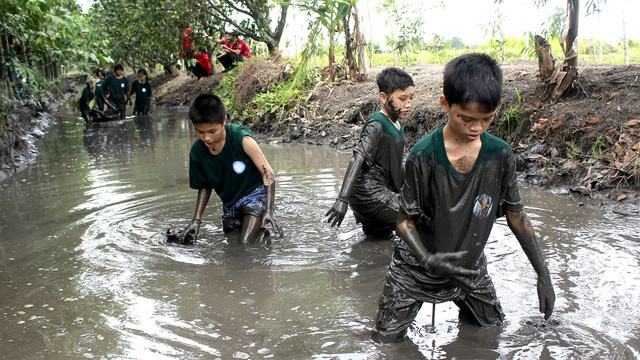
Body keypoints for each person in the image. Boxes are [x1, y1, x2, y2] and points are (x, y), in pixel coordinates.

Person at [370, 53, 555, 343]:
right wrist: (429, 259)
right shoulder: (422, 157)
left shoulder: (500, 155)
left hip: (469, 269)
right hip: (415, 268)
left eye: (486, 119)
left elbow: (516, 216)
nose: (476, 128)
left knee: (491, 332)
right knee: (384, 343)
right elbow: (404, 223)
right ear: (445, 104)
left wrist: (543, 275)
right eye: (466, 118)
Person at [178, 93, 284, 245]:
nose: (206, 138)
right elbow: (204, 186)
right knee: (232, 246)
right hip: (230, 205)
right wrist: (196, 221)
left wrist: (269, 210)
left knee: (245, 245)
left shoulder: (241, 138)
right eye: (200, 132)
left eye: (212, 131)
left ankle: (260, 233)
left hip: (255, 195)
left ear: (224, 121)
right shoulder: (197, 151)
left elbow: (268, 173)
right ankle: (263, 238)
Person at [325, 67, 415, 239]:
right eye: (402, 98)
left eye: (411, 97)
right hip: (369, 194)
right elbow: (358, 158)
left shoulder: (396, 125)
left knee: (379, 241)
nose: (408, 103)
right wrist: (342, 199)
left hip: (377, 192)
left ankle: (370, 264)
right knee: (415, 219)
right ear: (383, 97)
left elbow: (393, 164)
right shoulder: (377, 124)